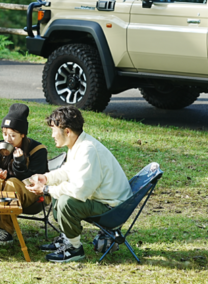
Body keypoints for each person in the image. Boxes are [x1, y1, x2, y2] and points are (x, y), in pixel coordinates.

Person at [26, 106, 132, 263]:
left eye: (54, 130)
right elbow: (67, 171)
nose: (52, 135)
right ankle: (66, 239)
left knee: (65, 200)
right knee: (58, 190)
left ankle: (75, 249)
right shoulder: (78, 144)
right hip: (102, 201)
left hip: (112, 210)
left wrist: (46, 189)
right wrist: (46, 179)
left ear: (67, 131)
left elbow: (79, 191)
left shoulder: (88, 150)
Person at [0, 103, 48, 246]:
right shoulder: (1, 147)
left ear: (23, 134)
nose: (7, 139)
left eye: (12, 135)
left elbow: (34, 180)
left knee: (12, 183)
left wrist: (20, 162)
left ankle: (6, 230)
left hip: (31, 193)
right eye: (4, 134)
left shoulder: (38, 150)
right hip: (6, 192)